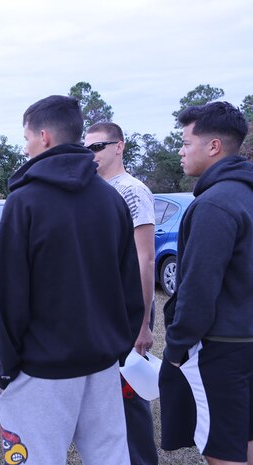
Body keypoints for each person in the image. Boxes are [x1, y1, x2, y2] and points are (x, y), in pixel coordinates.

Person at [0, 95, 144, 464]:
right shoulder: (111, 200)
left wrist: (8, 365)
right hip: (102, 363)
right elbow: (131, 287)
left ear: (44, 137)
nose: (25, 147)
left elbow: (11, 296)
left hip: (42, 369)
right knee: (110, 457)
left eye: (26, 138)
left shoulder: (24, 202)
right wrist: (117, 346)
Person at [160, 101, 253, 465]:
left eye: (185, 143)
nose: (180, 152)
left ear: (213, 146)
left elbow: (198, 289)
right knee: (244, 435)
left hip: (222, 348)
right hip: (245, 340)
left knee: (222, 449)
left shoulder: (215, 204)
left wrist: (177, 350)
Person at [85, 122, 158, 465]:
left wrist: (143, 324)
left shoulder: (130, 190)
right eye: (87, 149)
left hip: (129, 312)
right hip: (104, 310)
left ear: (119, 147)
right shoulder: (95, 190)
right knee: (108, 397)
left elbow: (145, 258)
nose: (92, 155)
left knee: (130, 397)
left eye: (98, 147)